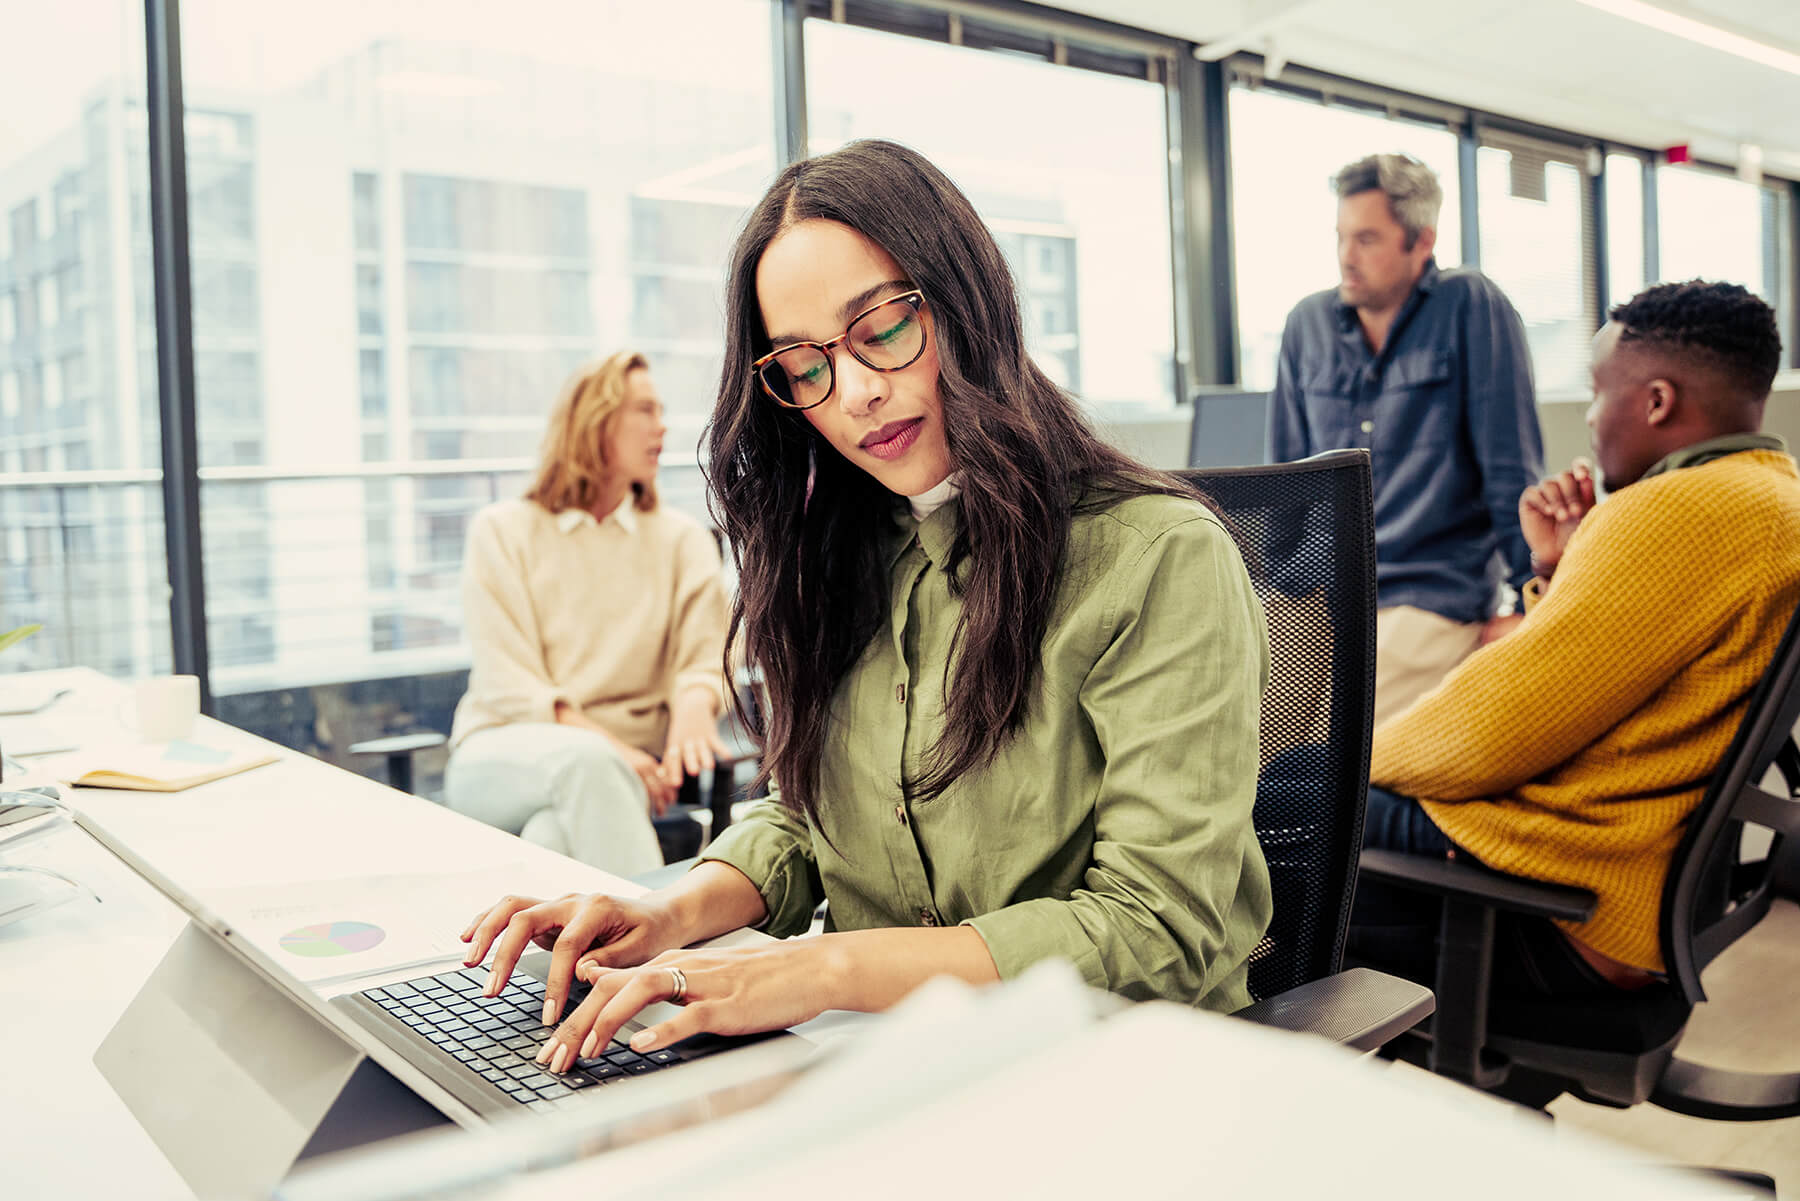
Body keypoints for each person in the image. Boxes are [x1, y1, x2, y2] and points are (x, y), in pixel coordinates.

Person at [459, 139, 1273, 1074]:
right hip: (884, 1067)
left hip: (1107, 1075)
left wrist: (821, 969)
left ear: (966, 299)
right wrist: (668, 912)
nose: (853, 394)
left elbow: (1155, 933)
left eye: (881, 326)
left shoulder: (1155, 558)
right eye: (804, 366)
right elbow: (810, 817)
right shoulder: (848, 553)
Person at [1350, 280, 1800, 996]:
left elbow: (1484, 733)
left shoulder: (1673, 511)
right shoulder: (1772, 497)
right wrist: (1562, 566)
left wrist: (1351, 764)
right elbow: (1621, 700)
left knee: (1289, 793)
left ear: (1656, 401)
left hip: (1569, 909)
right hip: (1638, 891)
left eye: (1597, 393)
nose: (1590, 418)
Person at [1269, 153, 1544, 724]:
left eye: (1367, 239)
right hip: (1319, 593)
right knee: (1247, 729)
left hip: (1428, 598)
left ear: (1422, 241)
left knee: (1337, 745)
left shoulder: (1472, 306)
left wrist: (1528, 606)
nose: (1347, 256)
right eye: (1341, 236)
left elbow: (1509, 467)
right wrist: (1279, 603)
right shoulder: (1307, 324)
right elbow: (1288, 485)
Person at [444, 351, 731, 878]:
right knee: (587, 765)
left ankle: (548, 959)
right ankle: (669, 944)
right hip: (500, 754)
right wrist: (614, 751)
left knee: (549, 837)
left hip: (621, 781)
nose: (662, 426)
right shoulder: (502, 532)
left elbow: (705, 657)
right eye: (645, 409)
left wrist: (695, 705)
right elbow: (506, 682)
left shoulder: (681, 540)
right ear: (596, 420)